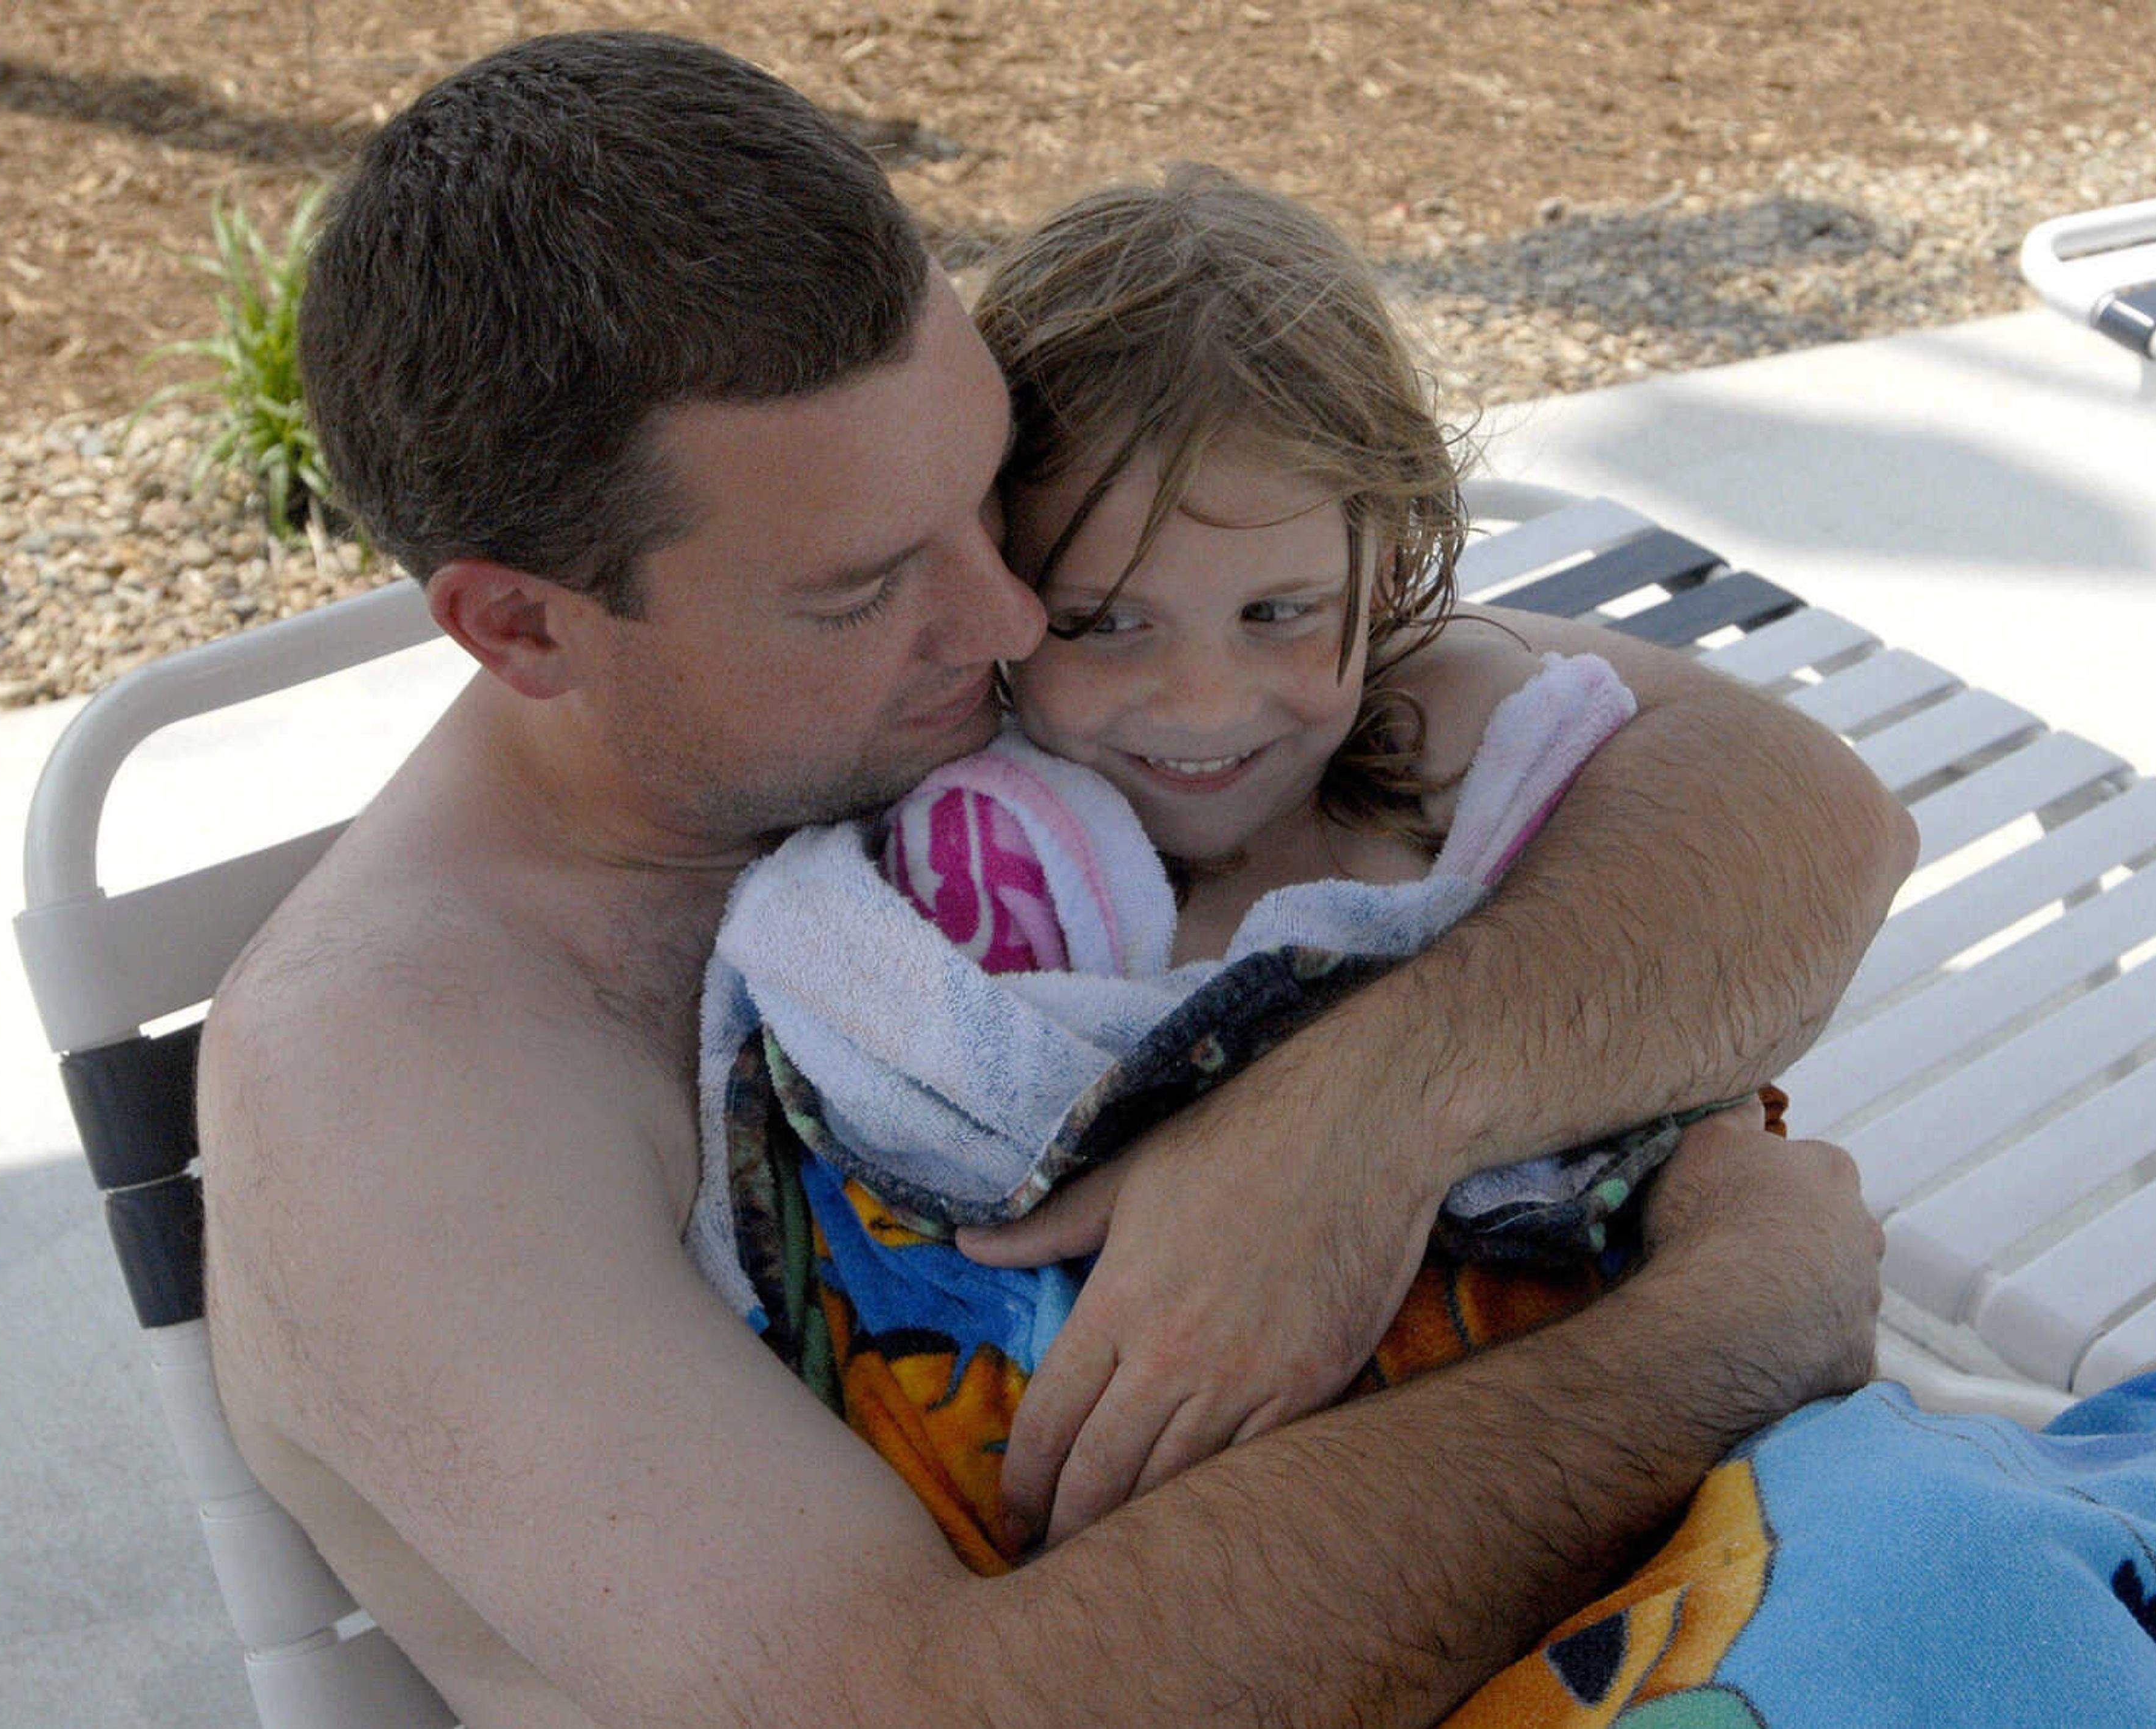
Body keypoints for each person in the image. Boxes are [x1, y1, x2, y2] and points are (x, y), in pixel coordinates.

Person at [199, 32, 1913, 1727]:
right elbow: (923, 1706)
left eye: (987, 499)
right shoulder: (394, 1079)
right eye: (869, 580)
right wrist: (1715, 1344)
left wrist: (1354, 1127)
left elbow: (1796, 808)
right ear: (523, 625)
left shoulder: (962, 696)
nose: (1018, 618)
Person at [705, 166, 1781, 1563]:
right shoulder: (969, 874)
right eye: (1104, 624)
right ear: (994, 584)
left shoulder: (1471, 778)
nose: (1207, 706)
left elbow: (1675, 1028)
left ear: (1389, 566)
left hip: (1611, 1494)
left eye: (1279, 611)